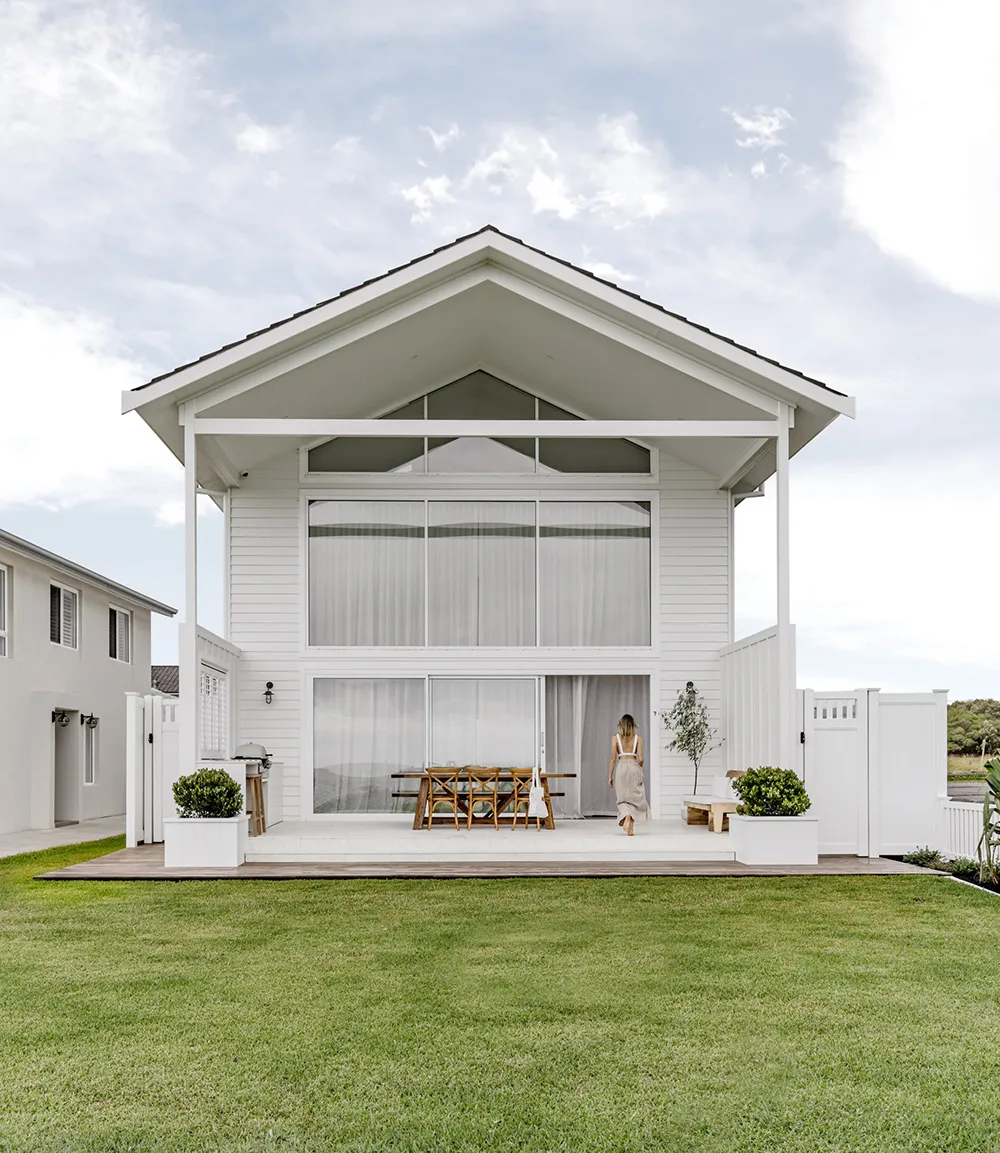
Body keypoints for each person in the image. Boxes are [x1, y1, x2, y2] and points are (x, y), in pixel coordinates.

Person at [609, 713, 648, 836]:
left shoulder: (615, 738)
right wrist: (638, 768)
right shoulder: (638, 739)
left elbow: (613, 759)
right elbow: (640, 759)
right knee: (634, 797)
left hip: (621, 767)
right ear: (633, 726)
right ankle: (630, 825)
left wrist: (610, 776)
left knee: (623, 798)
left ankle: (627, 818)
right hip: (633, 765)